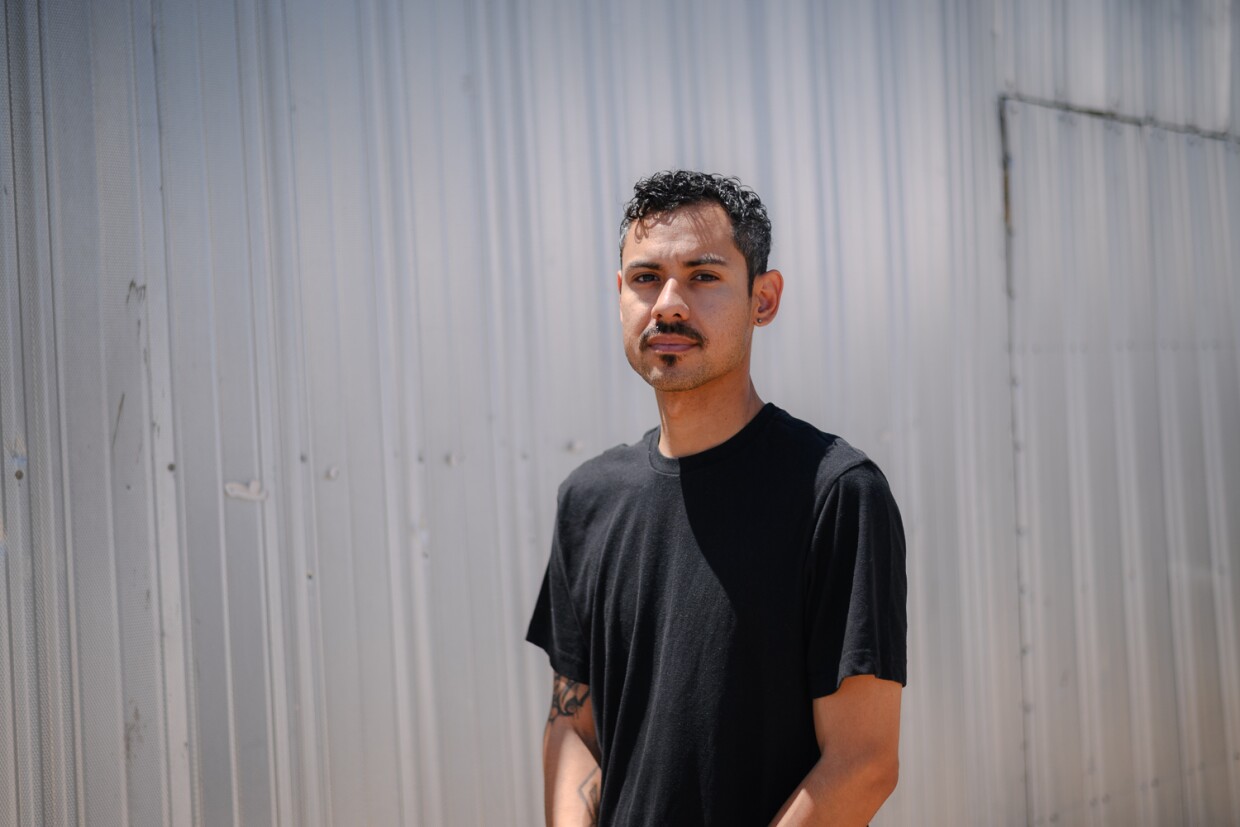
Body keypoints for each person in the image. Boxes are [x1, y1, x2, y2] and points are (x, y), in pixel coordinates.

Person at [526, 170, 907, 826]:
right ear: (620, 294)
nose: (669, 303)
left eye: (703, 276)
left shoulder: (836, 493)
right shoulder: (588, 500)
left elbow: (864, 760)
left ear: (764, 297)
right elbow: (574, 728)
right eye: (646, 278)